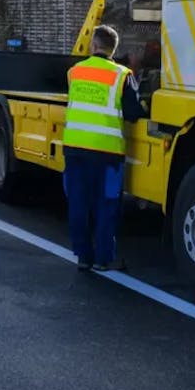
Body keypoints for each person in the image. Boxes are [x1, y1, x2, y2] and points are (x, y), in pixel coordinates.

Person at [63, 24, 146, 272]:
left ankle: (83, 256)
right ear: (113, 49)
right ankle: (103, 258)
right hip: (107, 152)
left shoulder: (75, 72)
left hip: (75, 148)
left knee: (78, 202)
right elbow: (133, 113)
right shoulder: (122, 75)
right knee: (106, 204)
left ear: (94, 46)